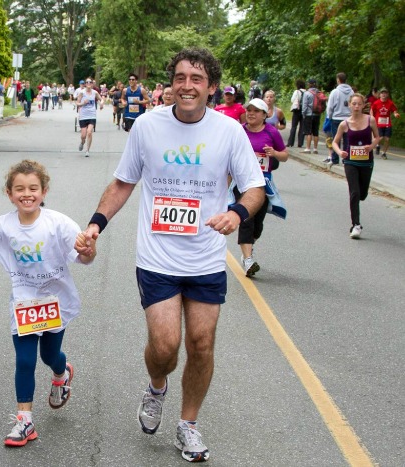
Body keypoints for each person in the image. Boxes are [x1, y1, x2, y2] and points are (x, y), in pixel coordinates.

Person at [76, 47, 265, 463]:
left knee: (201, 343)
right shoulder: (147, 126)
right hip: (158, 257)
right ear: (171, 84)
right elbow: (123, 183)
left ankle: (188, 424)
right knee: (165, 347)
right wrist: (95, 224)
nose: (187, 86)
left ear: (211, 87)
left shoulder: (229, 132)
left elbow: (254, 189)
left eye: (196, 79)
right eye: (180, 77)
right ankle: (157, 385)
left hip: (206, 258)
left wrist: (236, 212)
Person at [0, 159, 96, 447]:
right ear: (9, 193)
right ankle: (24, 421)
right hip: (25, 304)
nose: (27, 194)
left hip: (56, 302)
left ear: (44, 191)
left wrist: (89, 248)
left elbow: (85, 257)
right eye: (20, 189)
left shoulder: (58, 223)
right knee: (25, 360)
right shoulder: (3, 226)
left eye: (33, 188)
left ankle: (62, 373)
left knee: (50, 356)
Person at [235, 98, 288, 276]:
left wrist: (274, 153)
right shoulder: (239, 130)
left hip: (263, 181)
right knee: (246, 218)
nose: (250, 113)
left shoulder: (272, 132)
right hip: (241, 181)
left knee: (257, 225)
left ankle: (248, 251)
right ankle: (248, 260)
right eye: (248, 110)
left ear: (265, 115)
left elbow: (285, 155)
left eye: (256, 111)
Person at [331, 93, 380, 239]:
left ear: (364, 105)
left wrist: (371, 146)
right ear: (349, 105)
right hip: (350, 162)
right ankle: (356, 225)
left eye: (359, 104)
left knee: (362, 194)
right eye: (354, 104)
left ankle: (357, 210)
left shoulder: (370, 120)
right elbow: (335, 142)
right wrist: (340, 152)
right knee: (354, 193)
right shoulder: (344, 124)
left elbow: (377, 137)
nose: (357, 106)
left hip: (366, 162)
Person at [326, 72, 354, 165]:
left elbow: (330, 107)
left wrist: (329, 116)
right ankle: (346, 158)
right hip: (348, 118)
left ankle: (335, 158)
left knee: (336, 139)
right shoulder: (351, 92)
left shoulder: (335, 92)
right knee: (347, 139)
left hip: (336, 118)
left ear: (338, 80)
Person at [76, 78, 104, 157]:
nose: (88, 83)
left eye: (90, 82)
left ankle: (87, 150)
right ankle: (82, 142)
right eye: (87, 82)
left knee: (89, 132)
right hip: (83, 116)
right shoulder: (82, 92)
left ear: (92, 84)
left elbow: (101, 99)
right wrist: (82, 103)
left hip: (92, 115)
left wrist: (101, 104)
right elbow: (77, 103)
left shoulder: (95, 93)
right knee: (83, 135)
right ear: (85, 84)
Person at [370, 88, 400, 159]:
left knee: (387, 139)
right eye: (382, 93)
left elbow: (394, 110)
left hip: (387, 124)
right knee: (380, 138)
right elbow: (372, 110)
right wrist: (371, 117)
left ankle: (384, 153)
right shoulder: (376, 103)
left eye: (385, 93)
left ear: (387, 95)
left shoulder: (390, 103)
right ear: (379, 95)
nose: (383, 94)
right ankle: (376, 146)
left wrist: (396, 114)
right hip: (378, 124)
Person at [301, 79, 320, 155]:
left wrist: (303, 114)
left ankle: (308, 148)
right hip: (317, 114)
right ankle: (315, 148)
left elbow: (304, 105)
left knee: (309, 132)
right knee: (316, 132)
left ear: (309, 84)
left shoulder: (307, 93)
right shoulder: (319, 92)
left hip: (309, 114)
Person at [287, 79, 306, 147]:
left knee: (294, 126)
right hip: (304, 111)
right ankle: (300, 143)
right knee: (302, 127)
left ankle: (290, 142)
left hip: (296, 110)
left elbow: (292, 100)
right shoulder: (307, 92)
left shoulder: (297, 91)